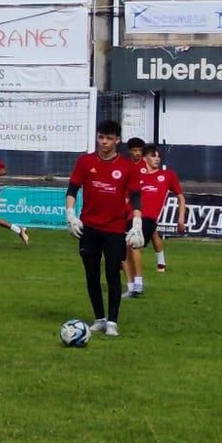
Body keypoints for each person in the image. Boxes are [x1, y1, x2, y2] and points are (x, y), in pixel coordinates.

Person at [65, 118, 137, 336]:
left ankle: (113, 322)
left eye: (108, 138)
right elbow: (72, 189)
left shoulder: (126, 167)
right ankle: (99, 318)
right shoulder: (85, 162)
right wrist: (70, 215)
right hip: (89, 228)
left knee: (112, 274)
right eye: (101, 137)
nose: (104, 142)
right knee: (91, 273)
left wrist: (138, 223)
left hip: (115, 229)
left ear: (117, 140)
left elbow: (135, 197)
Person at [129, 140, 185, 297]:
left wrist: (180, 218)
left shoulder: (167, 175)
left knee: (134, 245)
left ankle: (138, 284)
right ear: (145, 158)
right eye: (153, 156)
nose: (157, 158)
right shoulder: (137, 175)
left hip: (148, 218)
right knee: (121, 252)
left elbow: (180, 197)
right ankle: (130, 285)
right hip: (130, 215)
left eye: (159, 156)